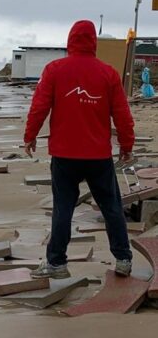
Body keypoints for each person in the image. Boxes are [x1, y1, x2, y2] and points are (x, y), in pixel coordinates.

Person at [23, 20, 135, 279]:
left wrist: (30, 137)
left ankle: (57, 264)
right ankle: (123, 259)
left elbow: (39, 107)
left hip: (64, 155)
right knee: (112, 208)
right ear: (93, 41)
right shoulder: (107, 73)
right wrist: (126, 147)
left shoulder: (55, 69)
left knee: (64, 208)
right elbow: (123, 115)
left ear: (70, 39)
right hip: (98, 156)